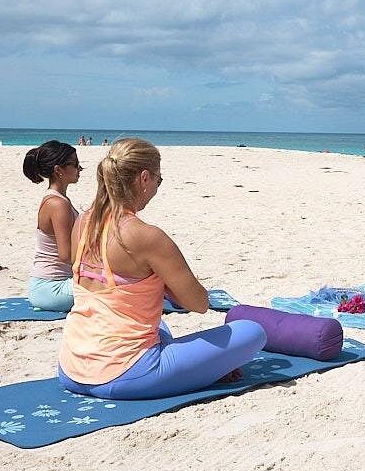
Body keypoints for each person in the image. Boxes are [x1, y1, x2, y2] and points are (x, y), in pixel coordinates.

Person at [57, 138, 266, 399]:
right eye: (158, 179)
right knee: (253, 332)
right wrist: (165, 282)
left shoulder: (84, 223)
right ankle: (203, 370)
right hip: (124, 375)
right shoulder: (145, 236)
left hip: (71, 367)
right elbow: (199, 303)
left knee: (161, 327)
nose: (157, 186)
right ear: (144, 179)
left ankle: (199, 368)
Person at [22, 141, 82, 311]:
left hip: (52, 285)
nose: (79, 169)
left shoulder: (59, 200)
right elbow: (66, 255)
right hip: (51, 288)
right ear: (58, 170)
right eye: (75, 164)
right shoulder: (57, 204)